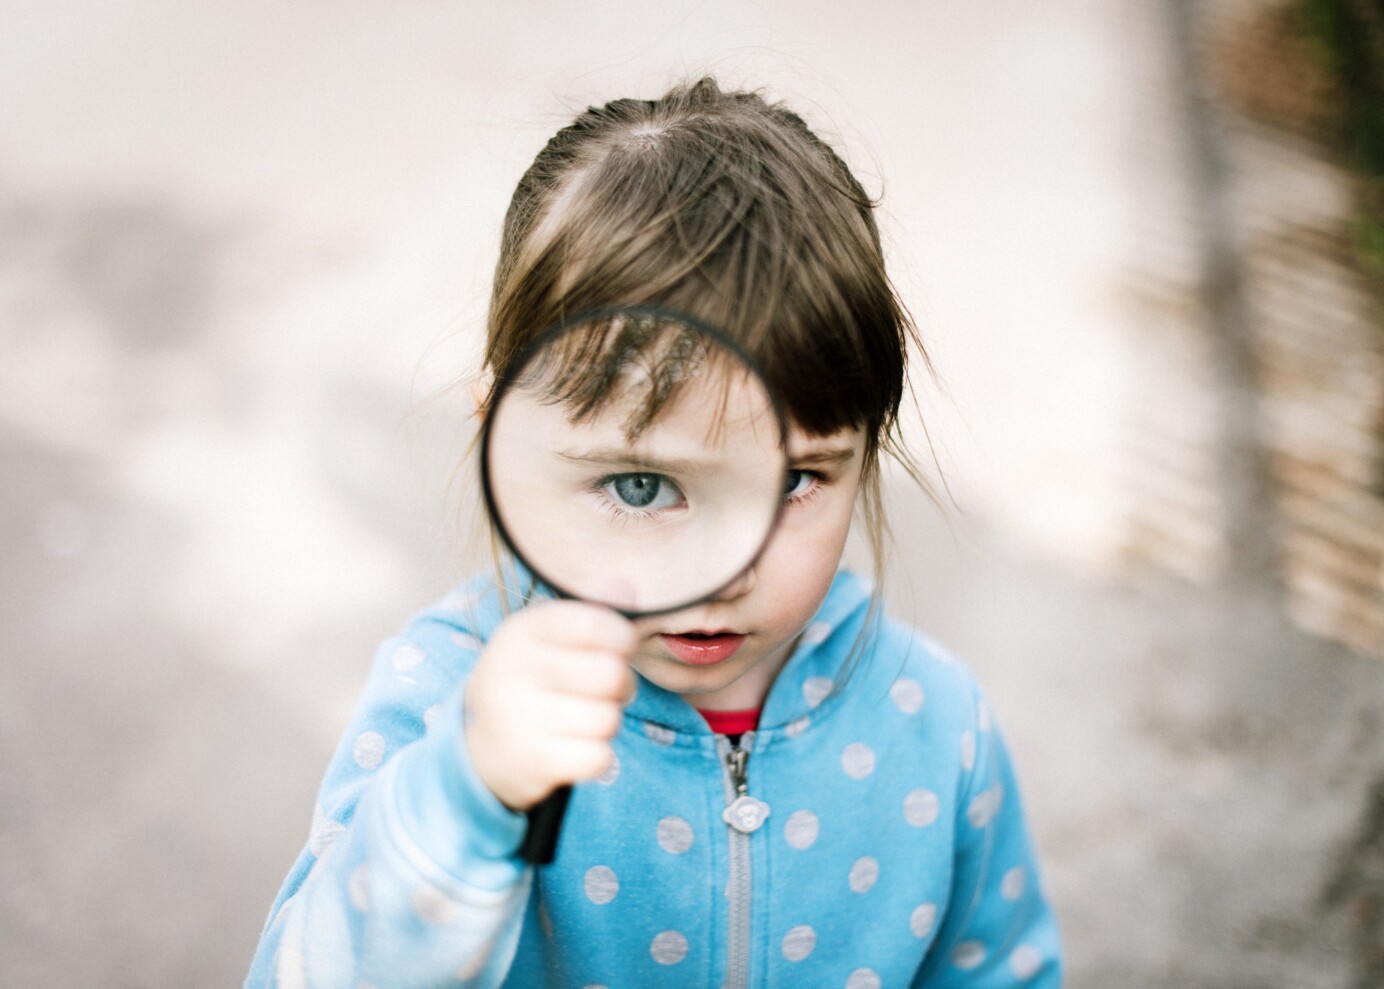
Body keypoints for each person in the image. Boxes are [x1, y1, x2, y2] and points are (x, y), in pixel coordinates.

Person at [247, 77, 1062, 988]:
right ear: (497, 435)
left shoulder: (935, 722)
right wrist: (461, 808)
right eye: (641, 486)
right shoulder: (448, 698)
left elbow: (1001, 969)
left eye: (794, 480)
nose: (720, 569)